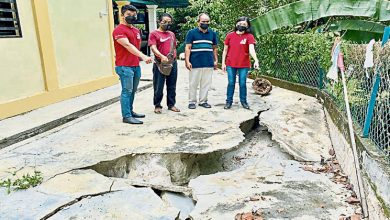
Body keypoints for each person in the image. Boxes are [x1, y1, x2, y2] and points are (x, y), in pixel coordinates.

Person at [112, 5, 152, 124]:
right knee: (127, 91)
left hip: (135, 65)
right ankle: (126, 116)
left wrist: (138, 58)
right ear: (122, 15)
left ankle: (130, 111)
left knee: (133, 90)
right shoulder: (118, 30)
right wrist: (143, 56)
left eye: (134, 15)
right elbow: (128, 46)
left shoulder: (136, 30)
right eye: (129, 14)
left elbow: (136, 46)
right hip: (124, 66)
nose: (132, 17)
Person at [221, 17, 259, 110]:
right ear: (236, 24)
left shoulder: (249, 36)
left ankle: (244, 102)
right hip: (230, 63)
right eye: (240, 23)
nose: (242, 26)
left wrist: (256, 60)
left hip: (244, 64)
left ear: (247, 26)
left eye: (244, 24)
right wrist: (223, 63)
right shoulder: (230, 35)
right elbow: (225, 50)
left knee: (242, 83)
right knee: (231, 83)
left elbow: (251, 49)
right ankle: (228, 102)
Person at [185, 13, 218, 109]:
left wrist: (216, 60)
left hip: (208, 62)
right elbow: (188, 47)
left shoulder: (212, 33)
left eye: (207, 22)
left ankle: (203, 101)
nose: (205, 23)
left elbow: (214, 48)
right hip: (195, 62)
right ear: (198, 22)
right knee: (193, 83)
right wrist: (187, 61)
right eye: (203, 21)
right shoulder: (191, 33)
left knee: (206, 83)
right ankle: (192, 101)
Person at [148, 13, 180, 114]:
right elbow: (153, 47)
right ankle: (157, 105)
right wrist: (161, 56)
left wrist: (174, 57)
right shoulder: (154, 34)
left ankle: (171, 104)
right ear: (159, 21)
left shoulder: (171, 34)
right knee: (158, 86)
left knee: (172, 85)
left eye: (169, 22)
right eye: (164, 22)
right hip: (159, 63)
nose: (167, 24)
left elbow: (174, 47)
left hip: (172, 62)